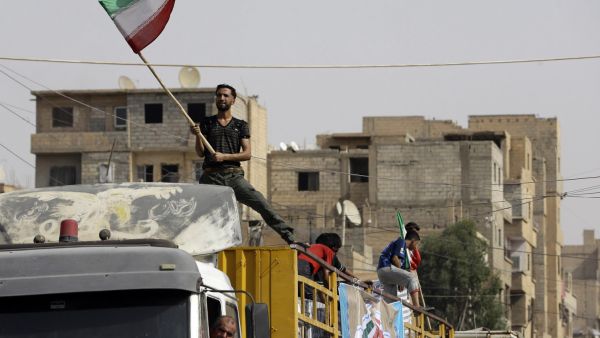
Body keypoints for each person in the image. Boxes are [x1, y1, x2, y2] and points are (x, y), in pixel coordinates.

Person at [191, 84, 295, 244]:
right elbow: (200, 152)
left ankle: (287, 234)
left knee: (260, 203)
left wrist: (224, 157)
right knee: (199, 213)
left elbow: (247, 154)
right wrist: (198, 135)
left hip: (233, 176)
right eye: (219, 95)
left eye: (226, 95)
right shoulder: (207, 123)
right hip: (211, 178)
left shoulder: (240, 125)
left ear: (233, 100)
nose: (222, 98)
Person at [376, 230, 422, 306]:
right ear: (413, 241)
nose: (415, 247)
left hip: (383, 272)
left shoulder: (403, 252)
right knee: (412, 278)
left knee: (390, 302)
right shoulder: (401, 241)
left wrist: (400, 280)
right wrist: (401, 279)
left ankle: (389, 316)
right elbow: (394, 258)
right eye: (416, 244)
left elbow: (399, 267)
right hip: (386, 267)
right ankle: (417, 306)